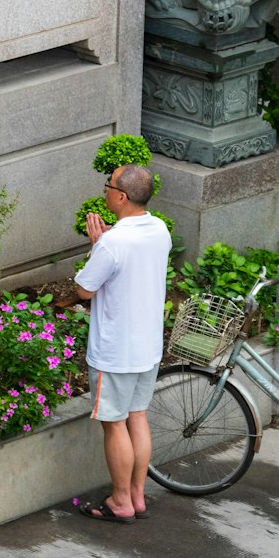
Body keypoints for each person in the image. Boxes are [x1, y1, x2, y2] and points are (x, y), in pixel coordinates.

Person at [74, 162, 171, 524]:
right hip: (148, 348)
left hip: (115, 352)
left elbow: (84, 289)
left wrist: (97, 246)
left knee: (115, 424)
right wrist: (104, 244)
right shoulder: (160, 229)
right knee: (138, 416)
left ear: (121, 196)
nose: (105, 189)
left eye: (109, 184)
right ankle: (137, 497)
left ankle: (119, 501)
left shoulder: (112, 242)